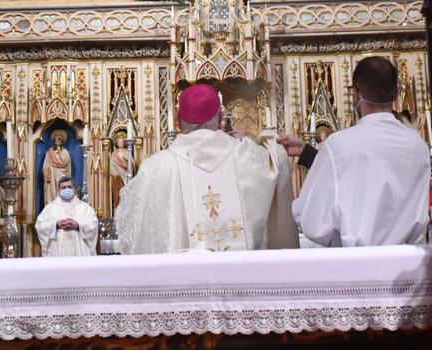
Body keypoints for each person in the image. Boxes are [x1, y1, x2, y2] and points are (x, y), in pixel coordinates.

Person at [116, 84, 298, 253]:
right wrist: (270, 143)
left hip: (180, 282)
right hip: (241, 282)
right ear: (221, 119)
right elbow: (275, 160)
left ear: (177, 122)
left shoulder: (154, 169)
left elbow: (134, 227)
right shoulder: (248, 157)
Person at [290, 56, 431, 247]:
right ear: (397, 93)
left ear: (356, 94)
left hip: (356, 264)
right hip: (408, 264)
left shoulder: (338, 145)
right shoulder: (418, 146)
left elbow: (311, 218)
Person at [35, 177, 99, 257]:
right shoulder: (50, 208)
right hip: (57, 253)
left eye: (69, 187)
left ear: (74, 189)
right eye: (64, 187)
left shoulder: (85, 208)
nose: (67, 189)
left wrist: (78, 226)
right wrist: (56, 225)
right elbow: (40, 226)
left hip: (78, 254)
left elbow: (93, 225)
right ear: (58, 190)